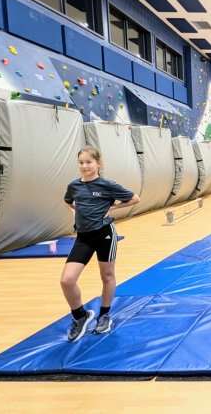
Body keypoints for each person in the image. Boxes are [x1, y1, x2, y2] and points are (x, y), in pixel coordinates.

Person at [60, 146, 140, 342]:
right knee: (67, 280)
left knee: (107, 275)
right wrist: (74, 213)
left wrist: (112, 206)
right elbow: (68, 201)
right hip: (83, 237)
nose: (85, 166)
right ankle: (81, 316)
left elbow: (134, 198)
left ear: (98, 163)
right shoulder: (74, 186)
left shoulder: (106, 184)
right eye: (81, 162)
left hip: (105, 234)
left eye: (89, 162)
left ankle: (104, 315)